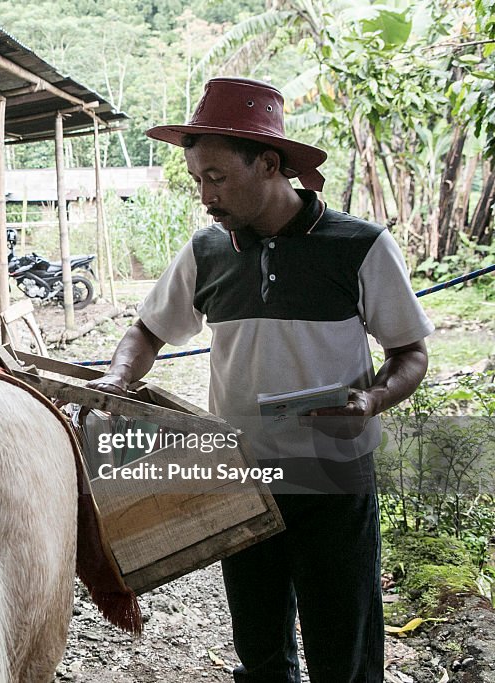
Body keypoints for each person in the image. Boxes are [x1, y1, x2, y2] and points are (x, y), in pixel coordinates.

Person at [87, 78, 433, 682]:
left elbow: (411, 355)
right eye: (198, 179)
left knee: (342, 637)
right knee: (258, 637)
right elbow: (145, 334)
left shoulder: (359, 246)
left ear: (269, 164)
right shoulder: (206, 252)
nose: (205, 195)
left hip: (332, 472)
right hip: (242, 474)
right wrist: (115, 380)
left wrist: (372, 399)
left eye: (217, 177)